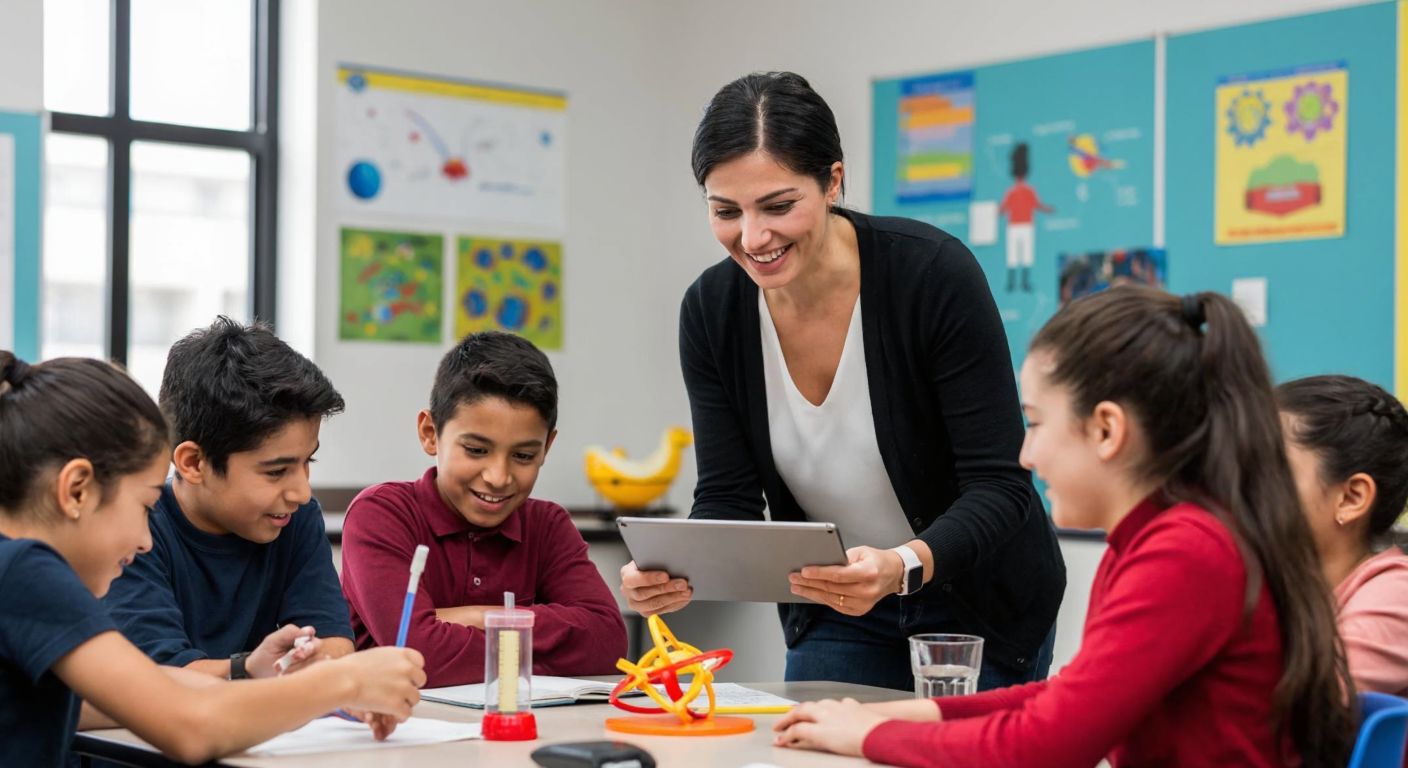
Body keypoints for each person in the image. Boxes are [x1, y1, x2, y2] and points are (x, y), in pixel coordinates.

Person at [772, 287, 1356, 767]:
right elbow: (1067, 699)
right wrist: (895, 715)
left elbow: (1050, 744)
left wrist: (867, 738)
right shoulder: (1165, 538)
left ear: (1106, 429)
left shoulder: (1187, 553)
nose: (1025, 456)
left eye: (1035, 423)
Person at [620, 71, 1065, 692]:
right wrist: (673, 569)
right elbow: (730, 499)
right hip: (836, 607)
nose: (753, 239)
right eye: (726, 212)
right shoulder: (712, 311)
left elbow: (1000, 486)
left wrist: (901, 566)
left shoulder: (931, 274)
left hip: (977, 603)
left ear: (833, 181)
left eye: (778, 206)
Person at [0, 352, 424, 765]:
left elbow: (139, 692)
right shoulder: (25, 573)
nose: (146, 539)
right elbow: (192, 728)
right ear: (76, 490)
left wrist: (247, 673)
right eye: (145, 506)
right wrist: (342, 681)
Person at [341, 331, 626, 686]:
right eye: (476, 450)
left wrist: (477, 617)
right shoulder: (381, 514)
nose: (498, 477)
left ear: (547, 448)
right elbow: (418, 653)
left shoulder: (547, 524)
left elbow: (607, 643)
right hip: (405, 733)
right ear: (430, 433)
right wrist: (529, 632)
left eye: (523, 456)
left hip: (520, 731)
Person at [102, 317, 354, 680]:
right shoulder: (136, 531)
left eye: (307, 461)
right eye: (276, 471)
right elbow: (160, 679)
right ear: (193, 463)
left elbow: (334, 647)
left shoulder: (294, 518)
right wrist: (251, 671)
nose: (301, 492)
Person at [1278, 374, 1408, 696]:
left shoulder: (1396, 595)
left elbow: (1296, 710)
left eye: (1270, 471)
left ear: (1351, 499)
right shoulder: (1283, 591)